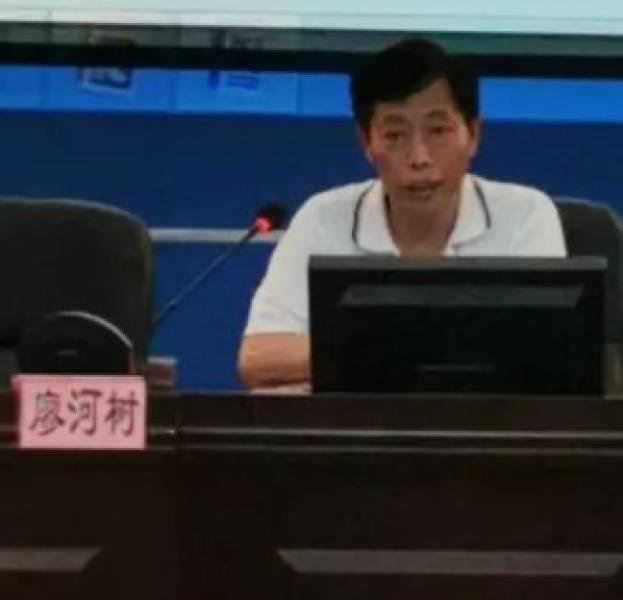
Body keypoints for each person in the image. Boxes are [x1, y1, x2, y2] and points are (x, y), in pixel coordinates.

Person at [238, 37, 566, 390]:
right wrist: (415, 352)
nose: (419, 158)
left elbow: (547, 358)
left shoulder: (524, 215)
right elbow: (257, 359)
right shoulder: (323, 217)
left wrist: (377, 354)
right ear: (366, 143)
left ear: (473, 134)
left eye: (438, 131)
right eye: (395, 135)